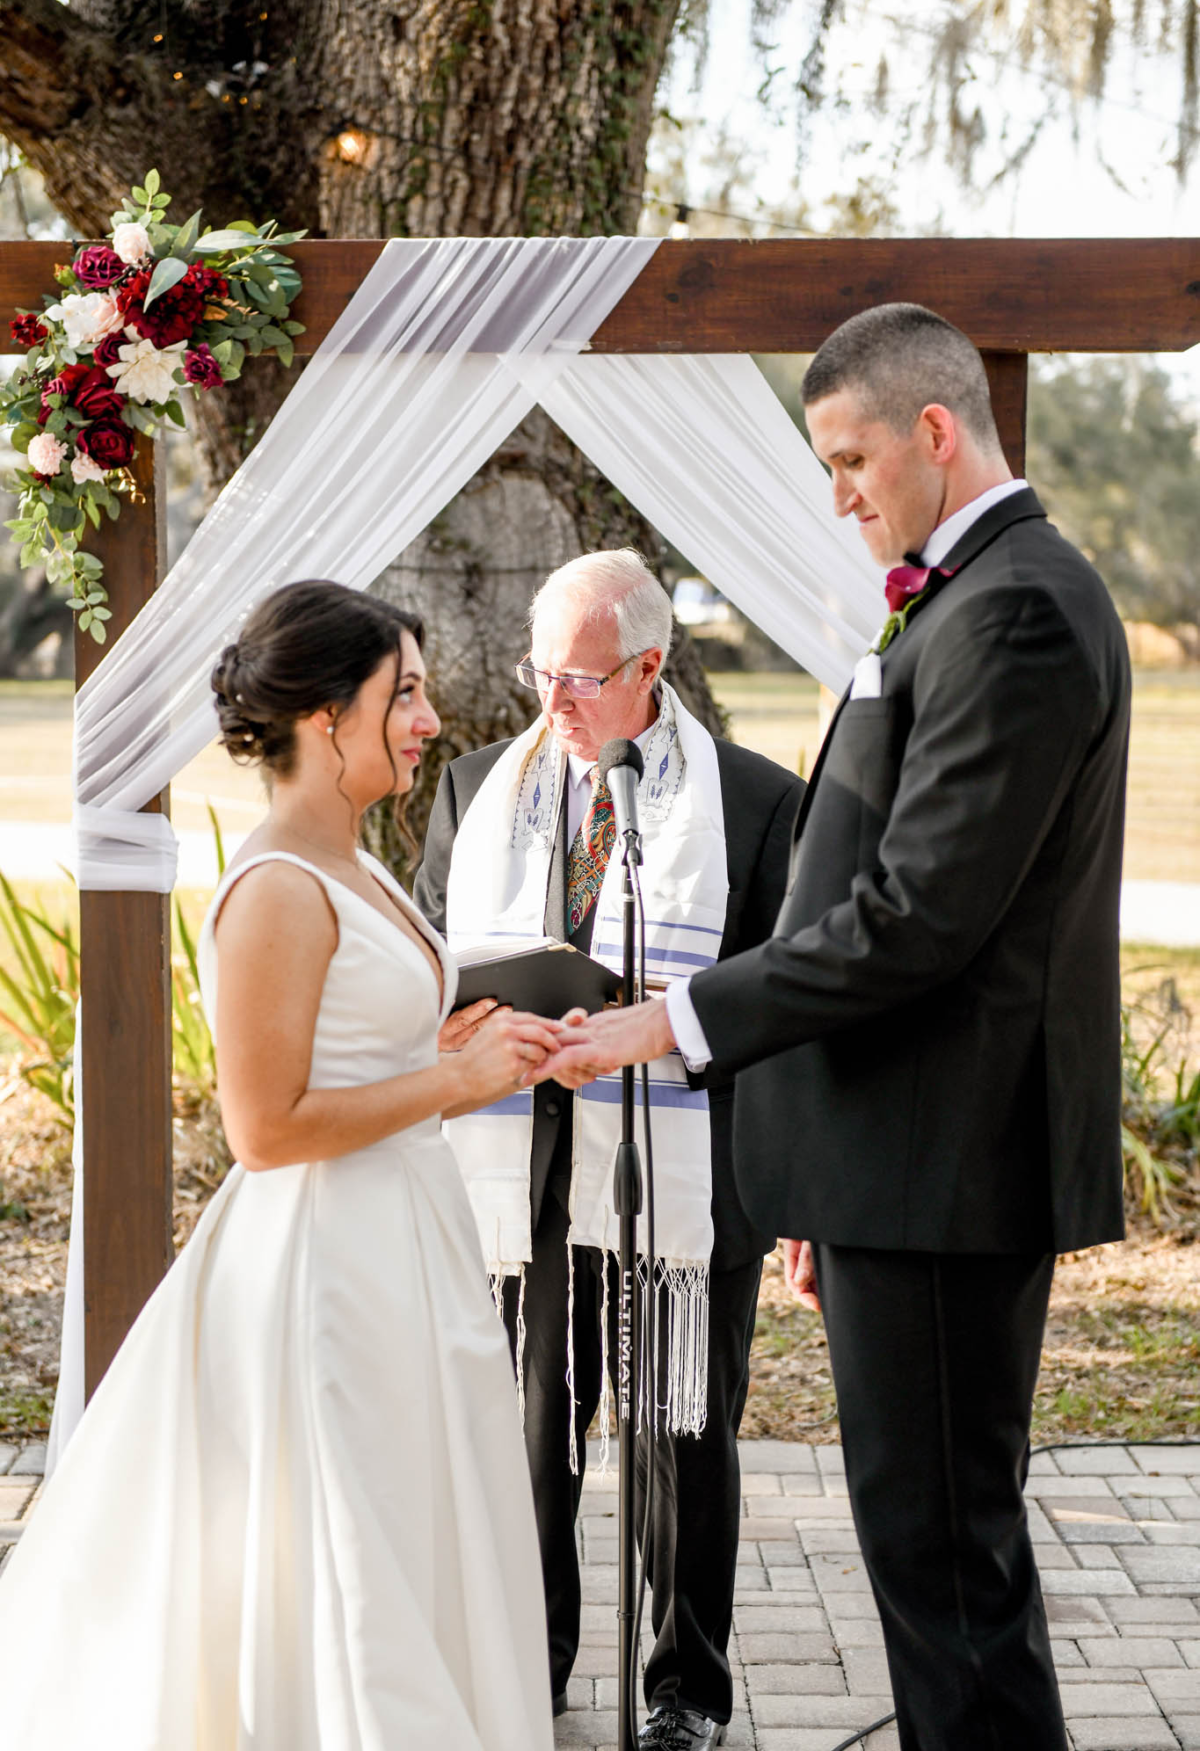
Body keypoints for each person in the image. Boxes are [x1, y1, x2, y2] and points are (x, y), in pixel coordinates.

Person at [543, 307, 1130, 1751]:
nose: (841, 494)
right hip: (899, 1161)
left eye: (852, 457)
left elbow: (919, 915)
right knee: (927, 1549)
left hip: (948, 1166)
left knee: (945, 1561)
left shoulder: (1017, 611)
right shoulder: (964, 596)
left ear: (936, 433)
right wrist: (820, 1156)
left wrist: (666, 1021)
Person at [0, 580, 560, 1751]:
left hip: (403, 1238)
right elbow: (265, 1130)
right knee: (349, 1552)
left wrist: (447, 1046)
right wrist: (454, 1085)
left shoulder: (355, 863)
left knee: (415, 1529)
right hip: (325, 1277)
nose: (427, 717)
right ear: (323, 716)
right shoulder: (277, 888)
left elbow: (356, 1049)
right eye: (402, 692)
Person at [415, 549, 801, 1751]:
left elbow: (785, 1007)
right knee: (530, 1432)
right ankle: (528, 1666)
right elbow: (432, 961)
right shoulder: (482, 785)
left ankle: (684, 1686)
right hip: (523, 1171)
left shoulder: (753, 799)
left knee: (681, 1436)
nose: (554, 701)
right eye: (542, 672)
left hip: (685, 1179)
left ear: (651, 665)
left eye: (580, 678)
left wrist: (795, 1196)